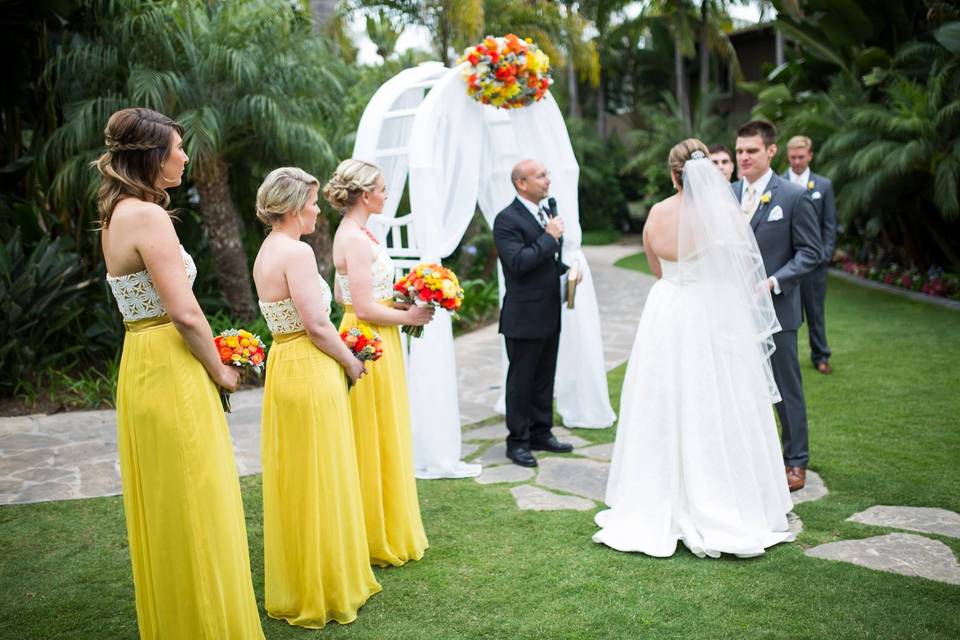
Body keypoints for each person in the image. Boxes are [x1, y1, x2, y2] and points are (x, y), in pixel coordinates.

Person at [99, 108, 264, 639]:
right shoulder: (145, 217)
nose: (186, 156)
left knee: (175, 499)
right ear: (151, 155)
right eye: (176, 147)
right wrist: (221, 371)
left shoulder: (118, 212)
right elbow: (187, 311)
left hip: (143, 358)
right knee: (195, 496)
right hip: (169, 363)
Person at [593, 139, 795, 558]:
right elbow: (739, 270)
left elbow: (655, 267)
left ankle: (658, 497)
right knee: (717, 399)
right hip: (709, 312)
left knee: (662, 400)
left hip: (667, 309)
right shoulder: (723, 215)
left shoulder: (656, 214)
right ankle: (724, 494)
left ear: (672, 174)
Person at [253, 167, 381, 628]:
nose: (315, 211)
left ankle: (303, 578)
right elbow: (318, 324)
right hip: (309, 366)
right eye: (310, 203)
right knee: (323, 473)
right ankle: (325, 585)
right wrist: (350, 361)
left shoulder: (266, 251)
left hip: (284, 364)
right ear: (291, 207)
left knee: (300, 477)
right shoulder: (297, 252)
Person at [327, 158, 433, 566]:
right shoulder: (352, 238)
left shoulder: (360, 233)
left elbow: (344, 299)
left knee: (384, 430)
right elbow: (364, 309)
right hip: (368, 340)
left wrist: (398, 302)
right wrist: (407, 316)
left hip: (375, 332)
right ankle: (374, 534)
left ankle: (386, 523)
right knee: (371, 434)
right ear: (366, 194)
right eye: (384, 189)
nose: (388, 195)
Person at [733, 120, 822, 491]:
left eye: (751, 151)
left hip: (779, 310)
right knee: (738, 385)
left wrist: (774, 281)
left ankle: (795, 460)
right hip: (732, 311)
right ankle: (748, 455)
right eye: (739, 151)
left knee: (786, 388)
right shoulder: (726, 194)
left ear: (771, 151)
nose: (743, 158)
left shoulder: (791, 196)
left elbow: (811, 253)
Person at [493, 159, 575, 468]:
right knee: (521, 382)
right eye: (540, 175)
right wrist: (549, 236)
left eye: (547, 173)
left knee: (544, 377)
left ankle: (542, 432)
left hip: (549, 311)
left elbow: (545, 261)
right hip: (523, 317)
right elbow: (518, 263)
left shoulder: (545, 212)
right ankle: (517, 441)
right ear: (521, 183)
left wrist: (568, 272)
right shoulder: (506, 220)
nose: (547, 180)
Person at [783, 135, 837, 375]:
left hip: (815, 264)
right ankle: (787, 358)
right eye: (793, 157)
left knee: (815, 312)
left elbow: (830, 224)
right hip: (785, 263)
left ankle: (821, 356)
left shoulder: (823, 185)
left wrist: (824, 254)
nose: (796, 162)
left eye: (801, 157)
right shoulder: (779, 183)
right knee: (786, 313)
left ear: (810, 156)